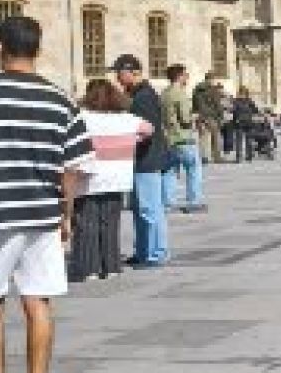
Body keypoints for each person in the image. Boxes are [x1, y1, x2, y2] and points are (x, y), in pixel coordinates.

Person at [0, 16, 93, 373]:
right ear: (38, 49)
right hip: (42, 214)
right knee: (38, 302)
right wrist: (66, 213)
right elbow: (73, 167)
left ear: (0, 47)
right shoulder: (60, 100)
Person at [70, 79, 151, 283]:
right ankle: (111, 266)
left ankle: (89, 268)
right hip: (117, 177)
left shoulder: (82, 117)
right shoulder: (126, 119)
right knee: (110, 223)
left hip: (89, 177)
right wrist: (132, 140)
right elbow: (148, 129)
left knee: (86, 223)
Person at [114, 54, 170, 267]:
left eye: (120, 72)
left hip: (147, 159)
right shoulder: (137, 94)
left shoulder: (144, 96)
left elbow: (147, 130)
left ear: (133, 72)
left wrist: (124, 140)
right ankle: (143, 250)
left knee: (149, 209)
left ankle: (156, 252)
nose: (117, 77)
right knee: (139, 209)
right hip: (139, 160)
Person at [161, 63, 205, 213]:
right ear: (179, 76)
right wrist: (195, 116)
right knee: (193, 169)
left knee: (170, 171)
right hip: (184, 137)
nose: (187, 78)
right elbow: (185, 118)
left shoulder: (164, 93)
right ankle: (194, 201)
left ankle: (168, 202)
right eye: (186, 75)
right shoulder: (180, 93)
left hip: (169, 138)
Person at [192, 72, 226, 165]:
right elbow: (217, 104)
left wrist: (196, 113)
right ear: (211, 79)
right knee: (216, 136)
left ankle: (203, 157)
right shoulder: (212, 90)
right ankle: (217, 156)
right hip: (211, 116)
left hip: (200, 116)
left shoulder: (197, 89)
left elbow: (194, 103)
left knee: (203, 136)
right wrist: (221, 116)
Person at [231, 86, 259, 163]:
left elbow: (255, 110)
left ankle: (245, 156)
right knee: (241, 140)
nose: (242, 95)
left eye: (242, 93)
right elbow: (255, 110)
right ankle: (243, 157)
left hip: (244, 122)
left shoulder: (240, 101)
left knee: (245, 140)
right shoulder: (246, 101)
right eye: (241, 93)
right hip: (243, 122)